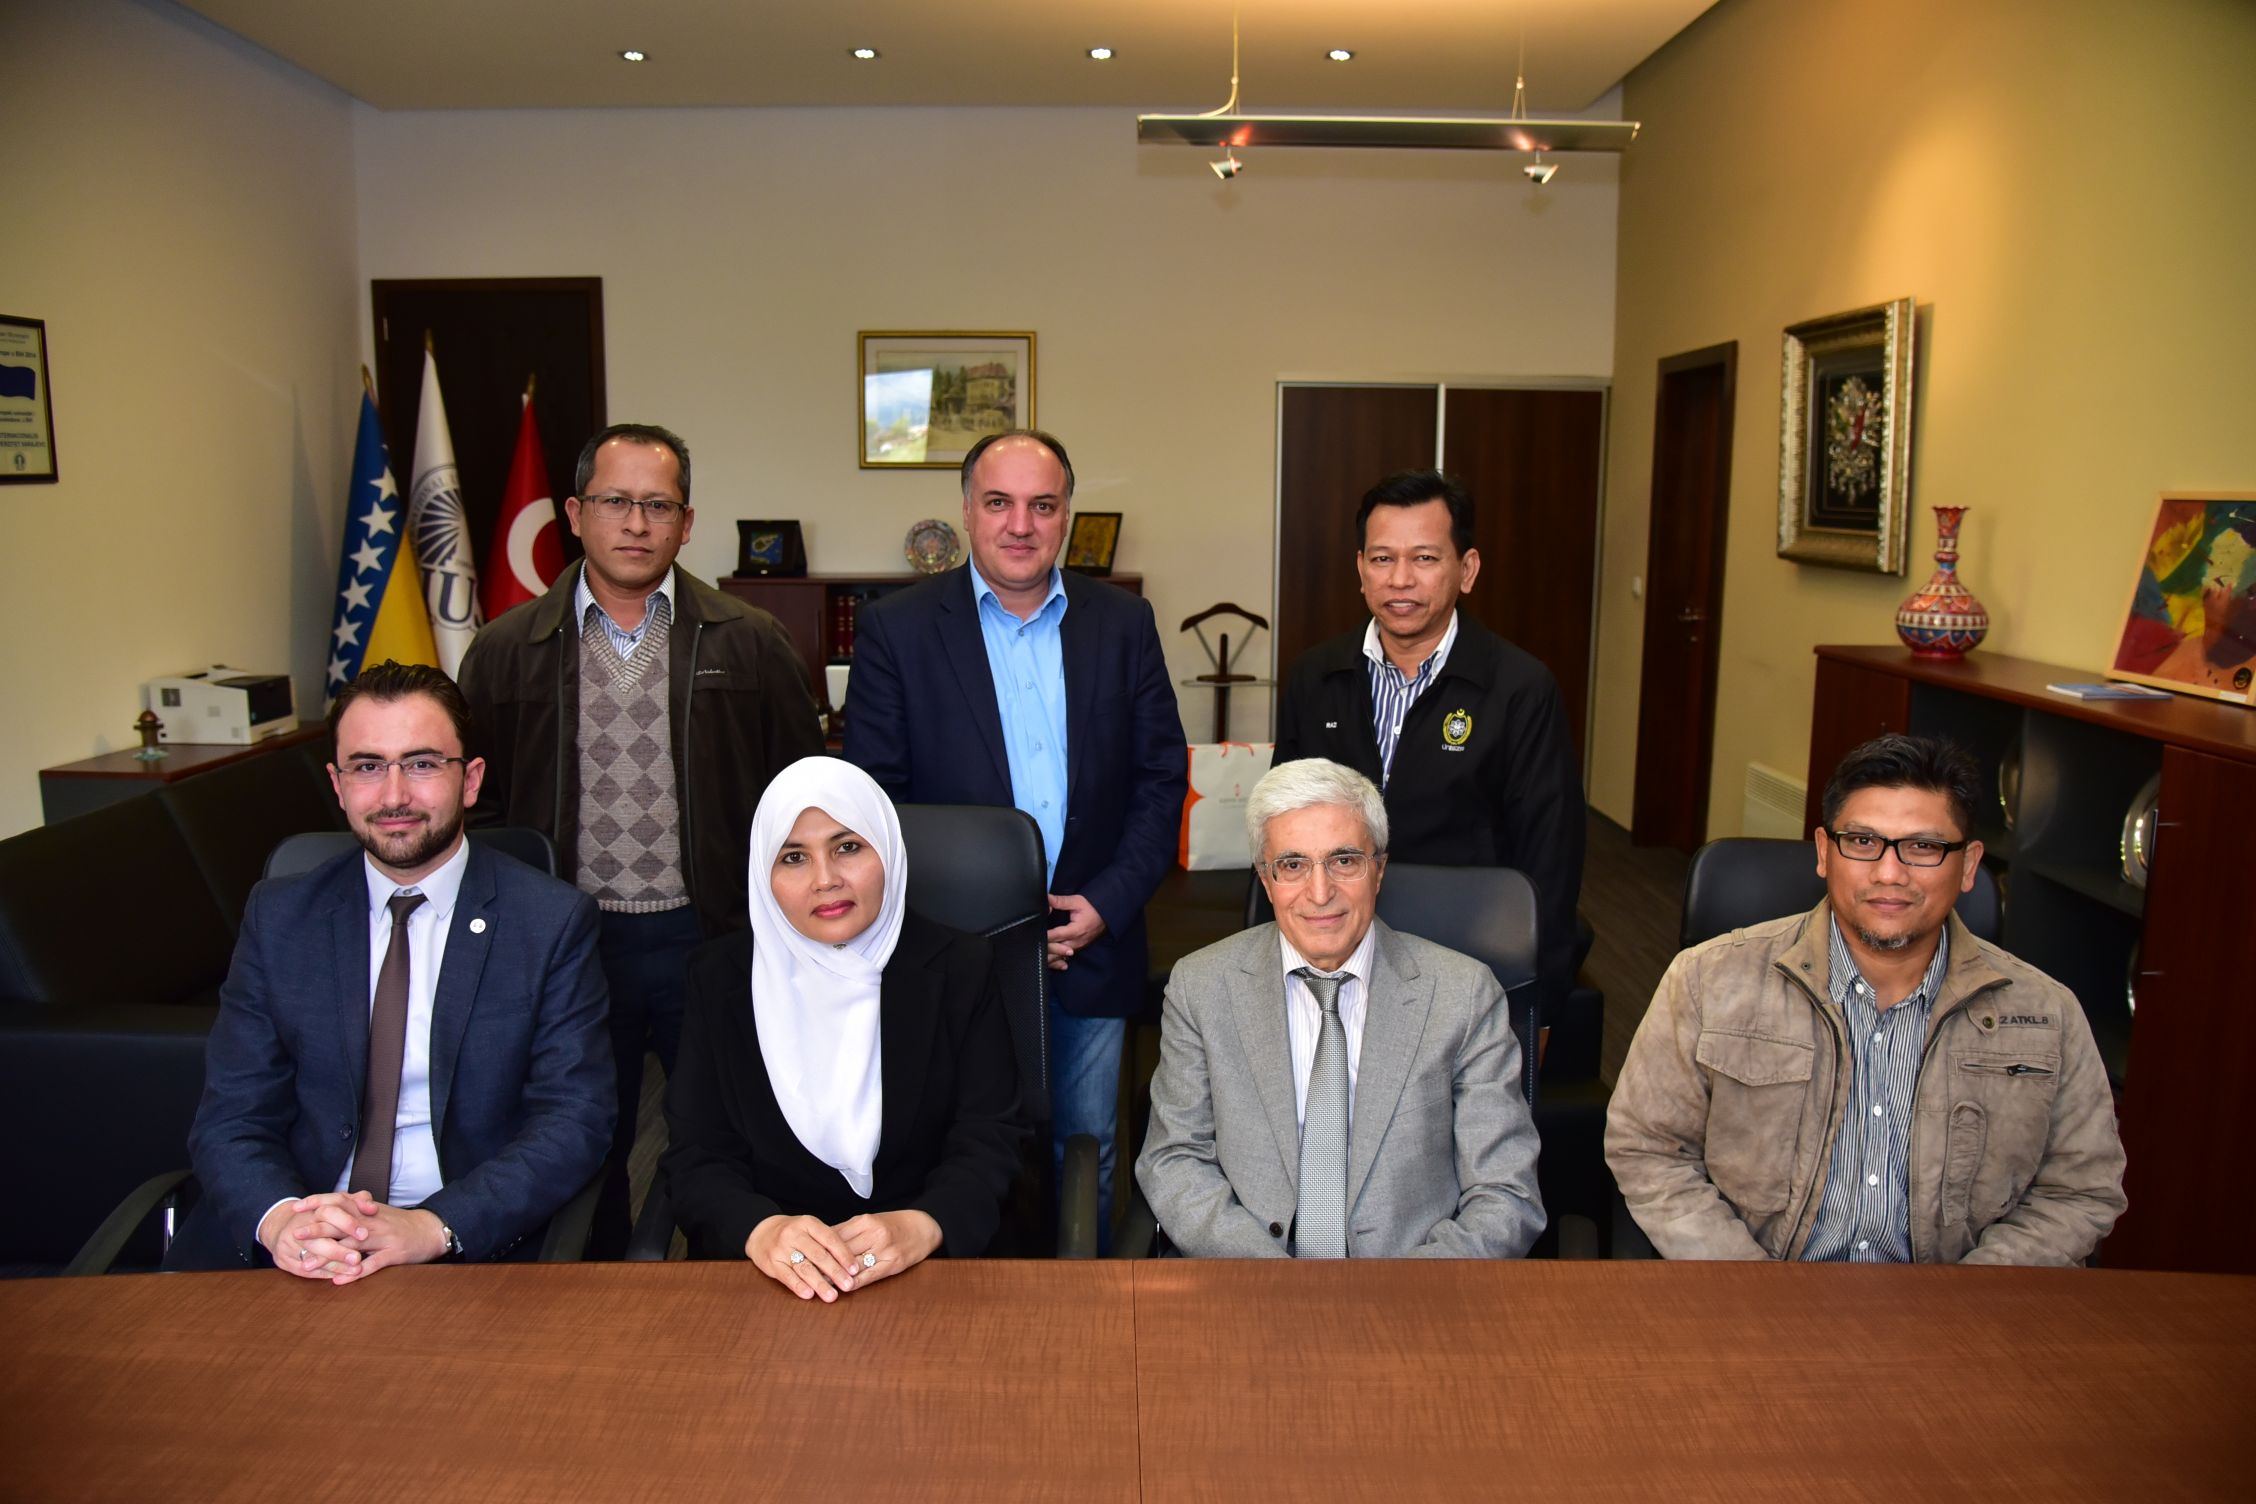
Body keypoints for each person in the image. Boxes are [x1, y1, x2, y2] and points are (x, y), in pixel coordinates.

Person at [458, 422, 824, 1255]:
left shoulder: (750, 640)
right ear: (575, 514)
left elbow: (802, 799)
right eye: (616, 502)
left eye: (658, 506)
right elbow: (479, 806)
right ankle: (600, 1300)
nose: (635, 523)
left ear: (686, 524)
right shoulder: (506, 649)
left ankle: (736, 1289)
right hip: (566, 945)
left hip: (713, 937)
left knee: (730, 1136)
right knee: (582, 1140)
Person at [844, 429, 1187, 1247]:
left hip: (1091, 944)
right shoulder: (898, 629)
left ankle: (1081, 1310)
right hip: (952, 955)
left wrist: (1105, 904)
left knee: (1086, 1154)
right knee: (956, 1154)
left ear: (1067, 514)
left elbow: (1159, 779)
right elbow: (878, 805)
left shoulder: (1124, 623)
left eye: (1043, 504)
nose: (1021, 525)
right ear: (967, 510)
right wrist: (983, 926)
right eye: (999, 502)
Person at [1606, 734, 2128, 1264]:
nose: (1889, 873)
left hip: (1958, 1301)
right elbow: (1649, 1149)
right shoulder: (1707, 979)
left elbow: (2079, 1190)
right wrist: (1753, 1288)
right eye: (1862, 841)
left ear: (1969, 865)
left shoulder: (2047, 1014)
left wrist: (1969, 1298)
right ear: (1824, 852)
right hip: (1755, 1290)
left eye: (1923, 847)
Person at [170, 661, 614, 1278]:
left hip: (464, 1248)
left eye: (422, 763)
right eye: (368, 766)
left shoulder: (551, 921)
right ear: (338, 784)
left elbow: (574, 1120)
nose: (394, 795)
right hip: (301, 1240)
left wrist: (433, 1226)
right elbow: (232, 1116)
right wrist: (282, 1221)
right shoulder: (280, 917)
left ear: (470, 780)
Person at [1136, 758, 1544, 1258]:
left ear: (1379, 870)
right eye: (1292, 865)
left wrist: (1397, 1292)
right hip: (1252, 1278)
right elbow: (1174, 1159)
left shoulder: (1463, 994)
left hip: (1413, 1284)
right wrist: (1272, 1279)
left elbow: (1505, 1193)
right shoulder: (1201, 987)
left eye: (1344, 860)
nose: (1320, 892)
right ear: (1265, 879)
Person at [660, 757, 1025, 1298]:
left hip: (931, 1272)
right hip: (770, 1281)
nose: (826, 879)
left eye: (848, 847)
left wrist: (926, 1222)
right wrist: (760, 1230)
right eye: (793, 857)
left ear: (887, 849)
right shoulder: (719, 979)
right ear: (763, 875)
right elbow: (698, 1153)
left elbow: (991, 1135)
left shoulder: (961, 967)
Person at [1271, 468, 1585, 1014]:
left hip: (1470, 959)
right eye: (1382, 558)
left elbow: (1551, 857)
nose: (1400, 580)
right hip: (1332, 951)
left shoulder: (1520, 688)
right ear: (1360, 569)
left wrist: (1540, 1004)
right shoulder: (1316, 677)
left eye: (1424, 558)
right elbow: (1282, 830)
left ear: (1467, 569)